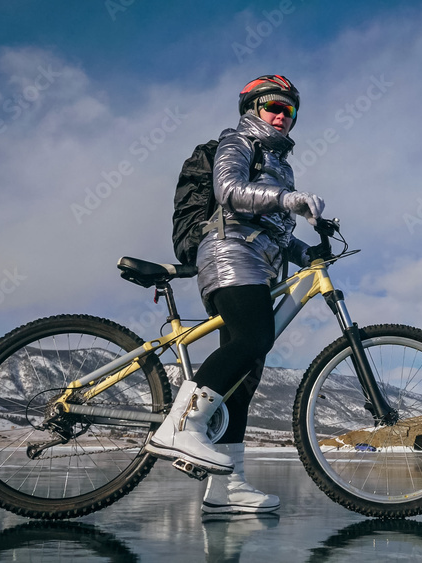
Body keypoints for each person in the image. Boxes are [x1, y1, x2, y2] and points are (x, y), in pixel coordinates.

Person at [146, 75, 325, 514]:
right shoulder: (240, 141)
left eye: (289, 110)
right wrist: (288, 202)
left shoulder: (280, 163)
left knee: (244, 381)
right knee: (254, 338)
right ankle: (180, 426)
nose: (281, 115)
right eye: (272, 107)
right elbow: (228, 191)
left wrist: (310, 252)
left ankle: (228, 488)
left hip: (259, 260)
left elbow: (275, 233)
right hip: (230, 252)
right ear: (253, 109)